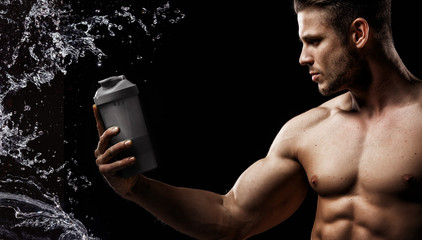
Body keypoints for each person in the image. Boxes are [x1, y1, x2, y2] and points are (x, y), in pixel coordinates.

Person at [93, 0, 422, 239]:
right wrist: (135, 188)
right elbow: (230, 216)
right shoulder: (307, 131)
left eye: (314, 41)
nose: (303, 57)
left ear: (359, 33)